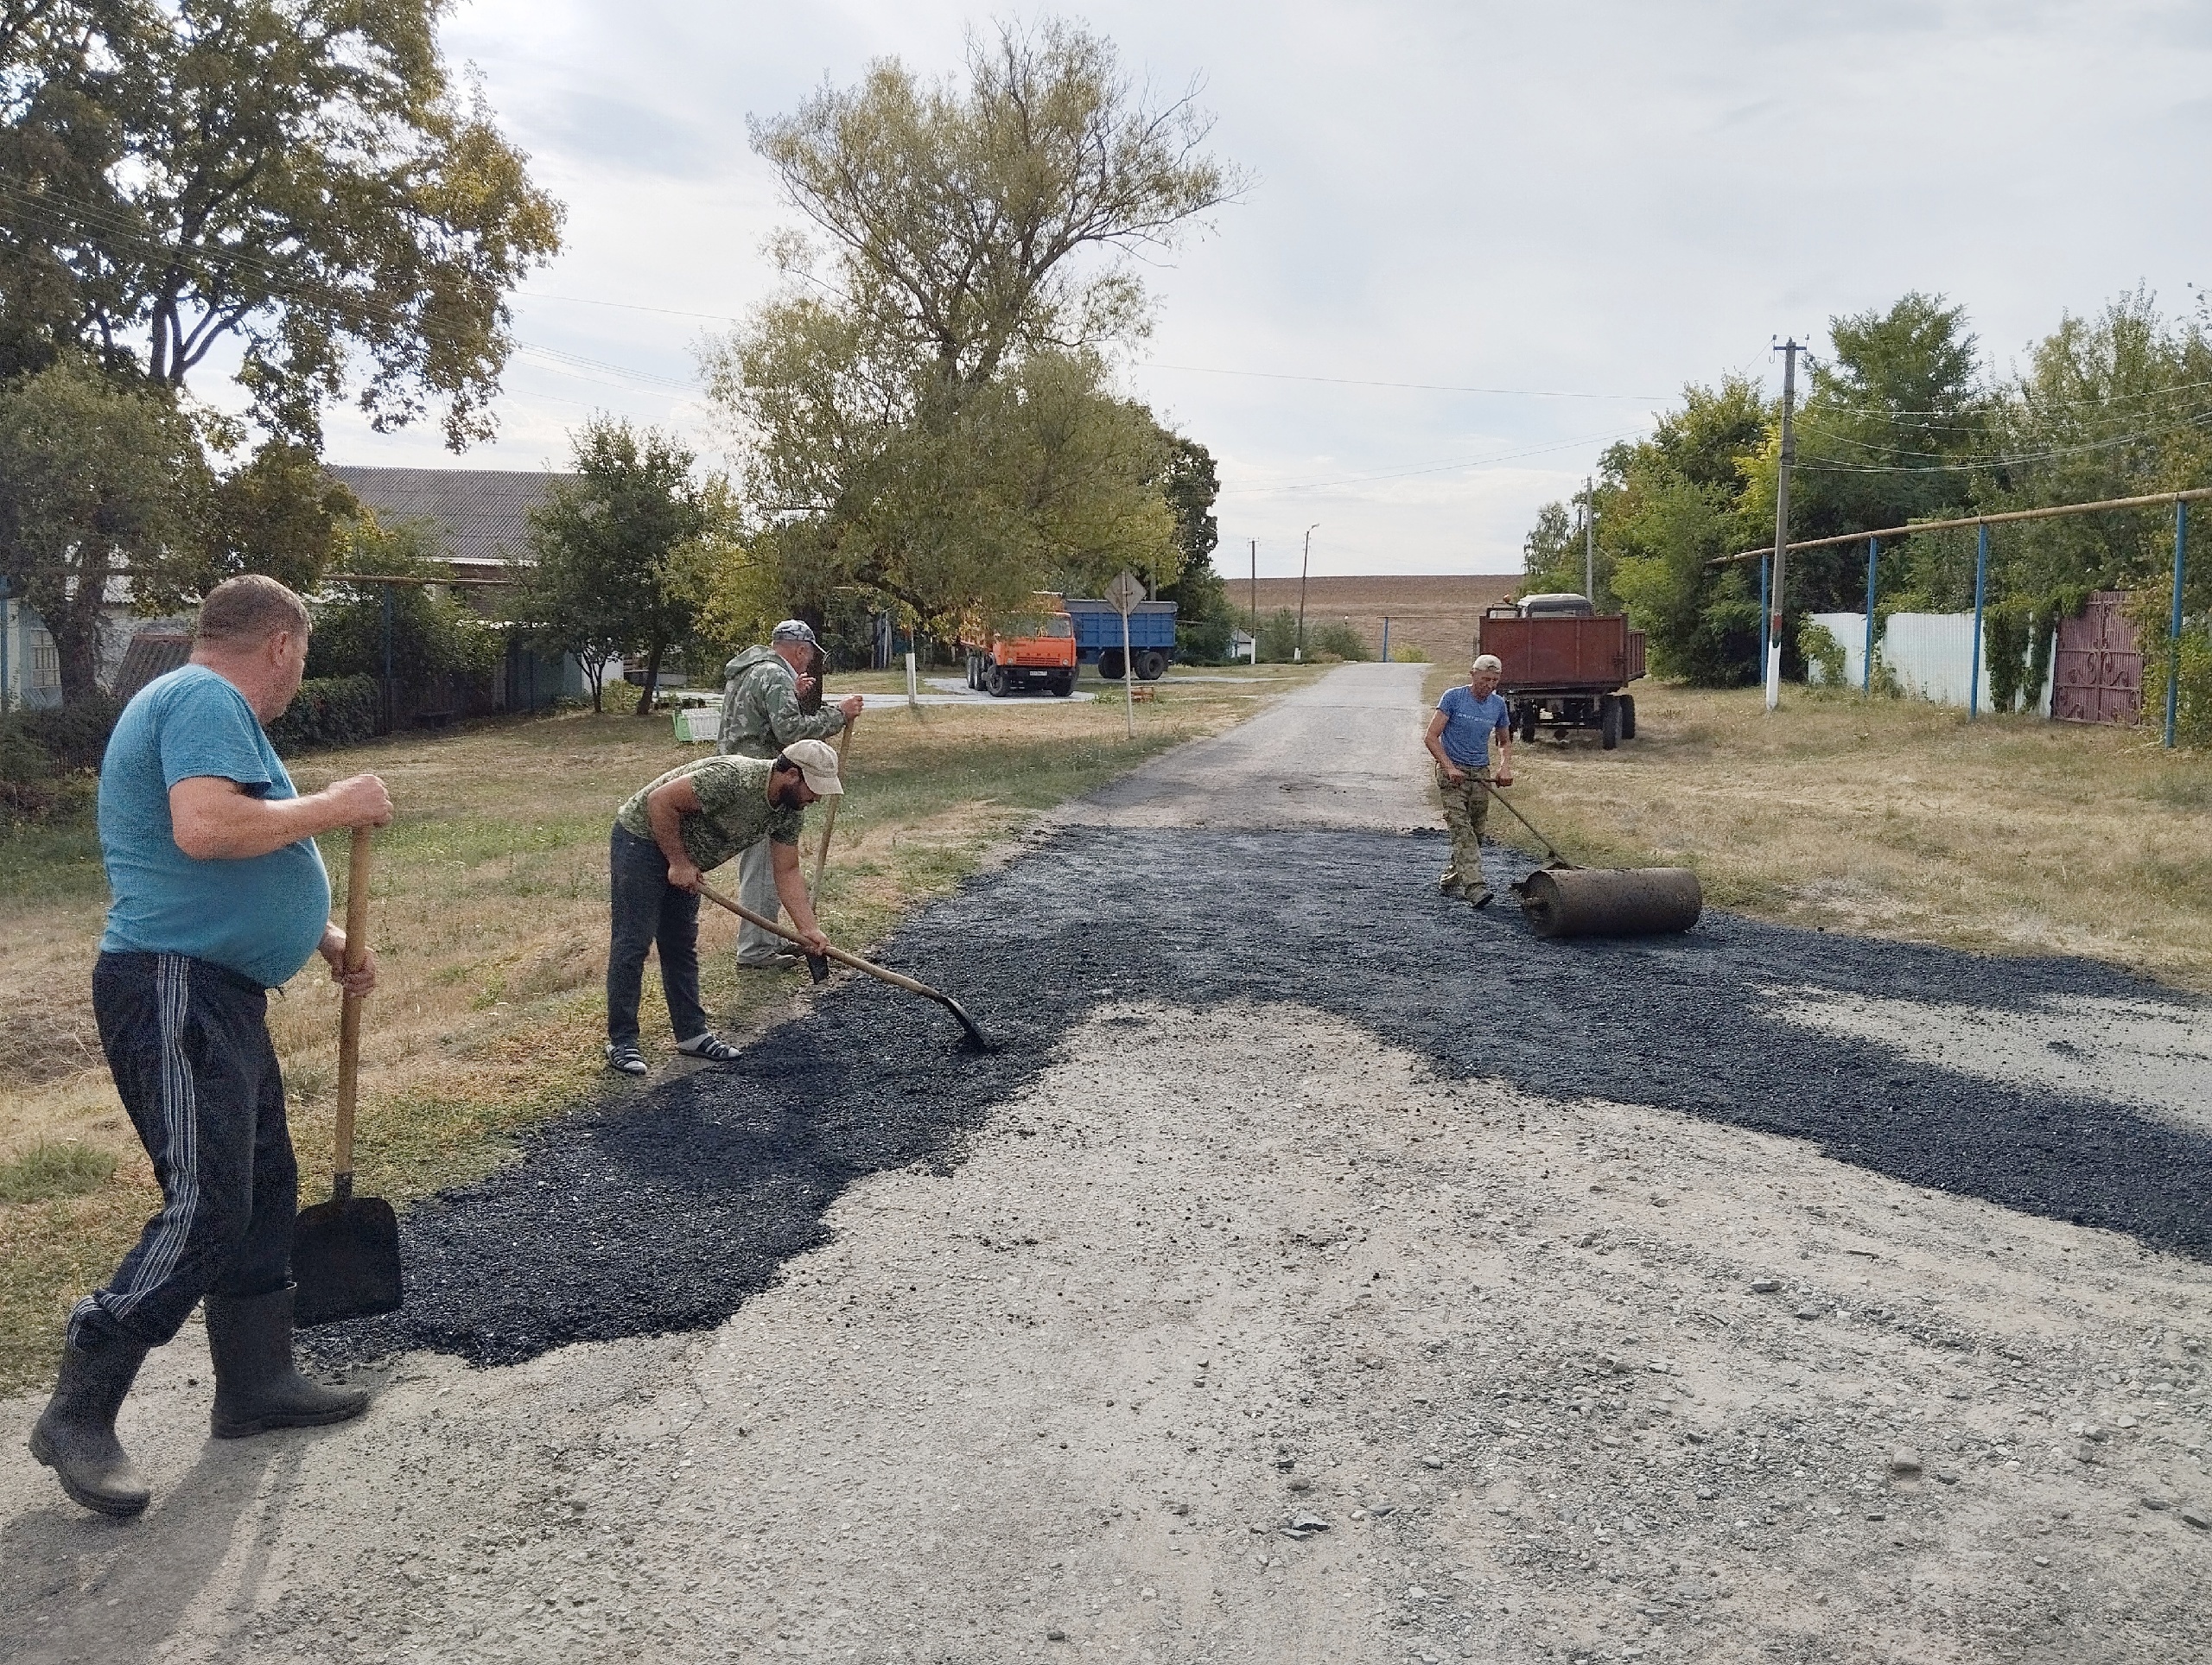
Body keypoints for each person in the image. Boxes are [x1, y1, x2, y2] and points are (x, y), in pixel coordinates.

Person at [30, 575, 393, 1518]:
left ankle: (255, 1383)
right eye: (301, 660)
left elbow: (239, 840)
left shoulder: (202, 706)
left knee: (266, 1181)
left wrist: (319, 934)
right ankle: (79, 1406)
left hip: (215, 988)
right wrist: (339, 803)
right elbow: (205, 827)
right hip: (172, 986)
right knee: (209, 1201)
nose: (296, 679)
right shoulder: (203, 696)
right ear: (279, 643)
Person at [605, 739, 842, 1076]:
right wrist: (678, 861)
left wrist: (807, 928)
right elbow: (660, 802)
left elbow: (787, 871)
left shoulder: (789, 812)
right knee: (633, 942)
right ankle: (622, 1040)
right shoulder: (733, 778)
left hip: (686, 857)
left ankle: (691, 1034)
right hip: (642, 839)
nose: (816, 798)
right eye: (814, 788)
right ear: (790, 774)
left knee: (680, 945)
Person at [718, 620, 861, 969]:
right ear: (800, 650)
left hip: (739, 772)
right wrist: (838, 715)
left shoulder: (750, 671)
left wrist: (792, 695)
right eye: (808, 656)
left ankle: (768, 937)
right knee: (767, 865)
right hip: (764, 781)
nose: (808, 663)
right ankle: (756, 950)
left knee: (764, 864)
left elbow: (755, 719)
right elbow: (791, 733)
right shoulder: (775, 675)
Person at [1425, 651, 1516, 906]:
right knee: (1461, 829)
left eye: (1494, 681)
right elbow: (1431, 737)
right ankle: (1475, 887)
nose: (1489, 686)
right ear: (1472, 675)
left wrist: (1504, 767)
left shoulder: (1498, 705)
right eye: (1485, 679)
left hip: (1481, 775)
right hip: (1452, 773)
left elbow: (1504, 740)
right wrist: (1449, 767)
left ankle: (1452, 877)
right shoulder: (1453, 697)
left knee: (1476, 832)